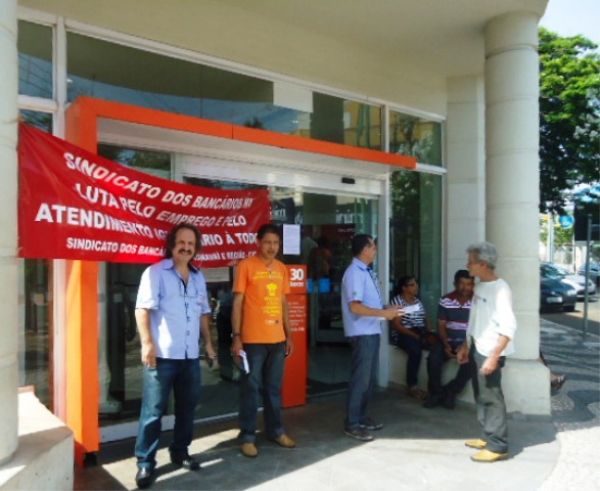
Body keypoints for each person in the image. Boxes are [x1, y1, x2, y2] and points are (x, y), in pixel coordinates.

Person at [133, 223, 216, 489]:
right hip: (162, 357)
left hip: (190, 357)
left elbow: (204, 313)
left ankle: (180, 453)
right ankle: (145, 462)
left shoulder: (199, 277)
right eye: (182, 242)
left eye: (191, 244)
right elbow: (142, 310)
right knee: (152, 412)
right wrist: (147, 344)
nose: (186, 247)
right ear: (172, 244)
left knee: (186, 410)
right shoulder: (155, 273)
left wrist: (209, 345)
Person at [231, 223, 296, 458]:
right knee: (250, 388)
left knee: (273, 389)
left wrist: (289, 334)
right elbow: (238, 302)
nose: (271, 247)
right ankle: (248, 435)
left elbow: (283, 303)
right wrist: (236, 336)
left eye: (275, 243)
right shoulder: (246, 265)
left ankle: (275, 430)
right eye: (267, 242)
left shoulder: (281, 268)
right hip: (253, 341)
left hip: (277, 340)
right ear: (258, 242)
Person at [456, 241, 517, 463]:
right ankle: (488, 435)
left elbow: (508, 327)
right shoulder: (480, 286)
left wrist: (493, 356)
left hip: (491, 351)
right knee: (481, 395)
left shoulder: (501, 289)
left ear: (483, 264)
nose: (467, 265)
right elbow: (474, 320)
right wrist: (465, 345)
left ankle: (498, 446)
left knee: (492, 397)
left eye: (470, 262)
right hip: (477, 348)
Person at [341, 234, 402, 441]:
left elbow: (370, 304)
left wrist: (388, 308)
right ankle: (352, 423)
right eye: (373, 247)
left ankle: (361, 417)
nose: (375, 250)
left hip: (371, 331)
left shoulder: (366, 271)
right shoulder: (354, 273)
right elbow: (355, 306)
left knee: (368, 380)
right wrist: (384, 314)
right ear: (363, 250)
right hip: (362, 333)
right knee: (361, 379)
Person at [424, 270, 475, 409]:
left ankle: (450, 391)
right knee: (433, 358)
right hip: (447, 340)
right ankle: (435, 393)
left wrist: (465, 346)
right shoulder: (445, 300)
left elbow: (478, 328)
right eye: (462, 284)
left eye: (469, 284)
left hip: (467, 343)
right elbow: (440, 325)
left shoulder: (477, 302)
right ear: (455, 284)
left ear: (473, 285)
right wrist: (446, 345)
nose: (465, 288)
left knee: (473, 361)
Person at [389, 276, 436, 400]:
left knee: (436, 347)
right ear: (404, 288)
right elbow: (396, 325)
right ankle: (412, 386)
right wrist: (416, 336)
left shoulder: (417, 301)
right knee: (415, 351)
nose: (416, 287)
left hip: (419, 332)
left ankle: (434, 389)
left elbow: (425, 319)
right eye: (412, 285)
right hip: (403, 334)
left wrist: (429, 333)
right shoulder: (398, 301)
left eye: (416, 284)